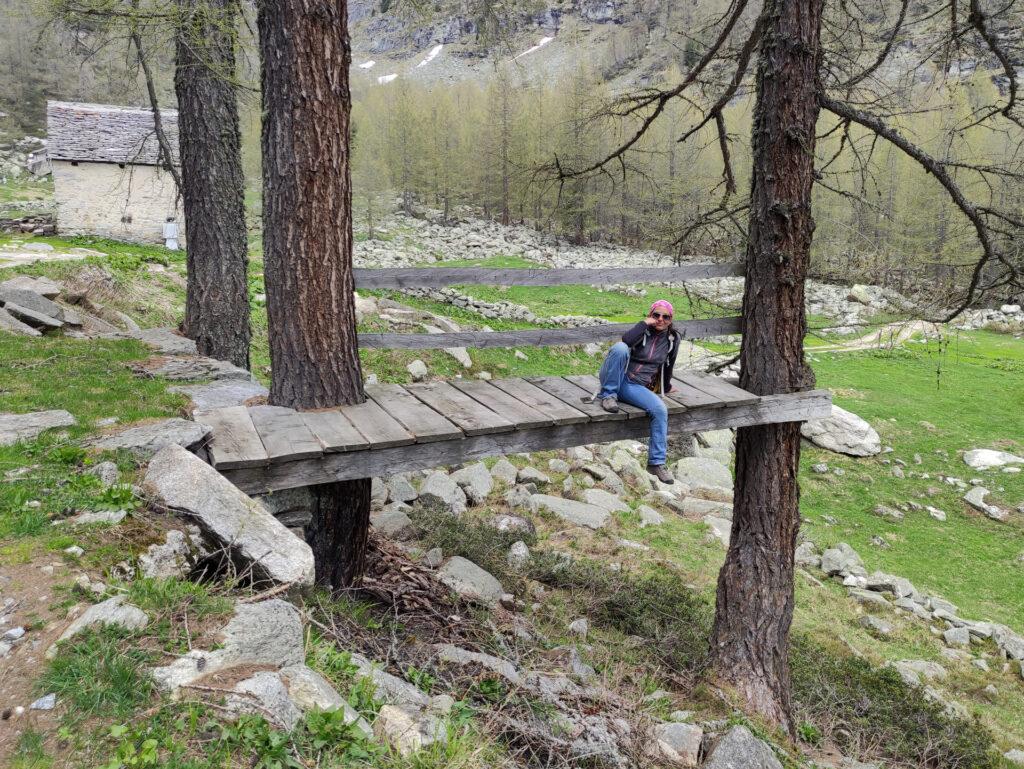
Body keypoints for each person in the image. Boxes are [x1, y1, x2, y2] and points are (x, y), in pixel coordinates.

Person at [596, 299, 679, 484]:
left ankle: (656, 463)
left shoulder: (673, 340)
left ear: (671, 320)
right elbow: (626, 341)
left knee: (660, 410)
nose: (660, 319)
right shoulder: (642, 330)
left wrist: (666, 386)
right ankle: (608, 395)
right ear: (650, 315)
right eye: (656, 315)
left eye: (665, 317)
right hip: (615, 374)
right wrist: (643, 324)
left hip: (634, 386)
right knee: (619, 348)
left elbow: (669, 365)